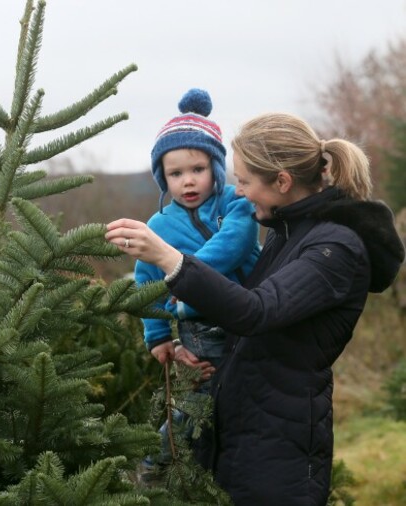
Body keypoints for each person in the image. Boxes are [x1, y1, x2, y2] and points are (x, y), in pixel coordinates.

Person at [106, 112, 405, 505]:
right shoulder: (285, 234)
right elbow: (234, 309)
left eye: (245, 181)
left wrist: (168, 257)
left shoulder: (334, 249)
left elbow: (256, 311)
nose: (239, 192)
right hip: (239, 431)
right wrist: (188, 346)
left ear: (282, 181)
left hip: (277, 450)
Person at [134, 88, 259, 474]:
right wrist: (157, 338)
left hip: (246, 316)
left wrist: (188, 272)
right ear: (163, 178)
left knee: (243, 400)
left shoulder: (234, 204)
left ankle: (226, 470)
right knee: (196, 404)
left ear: (216, 169)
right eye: (175, 174)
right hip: (198, 330)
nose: (188, 181)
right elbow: (148, 283)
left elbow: (234, 245)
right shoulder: (159, 226)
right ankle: (155, 467)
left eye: (197, 170)